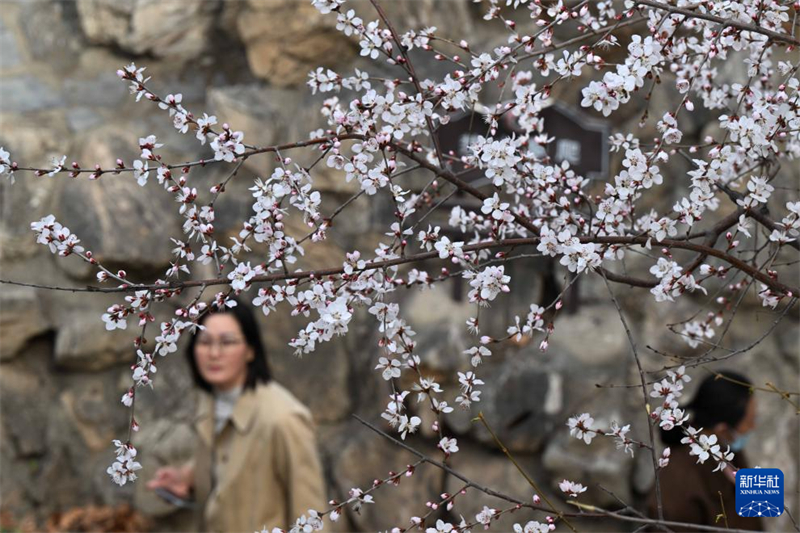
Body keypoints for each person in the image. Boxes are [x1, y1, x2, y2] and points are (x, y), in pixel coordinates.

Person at [147, 301, 326, 532]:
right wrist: (188, 477)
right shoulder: (210, 404)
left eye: (227, 342)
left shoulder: (283, 418)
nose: (214, 353)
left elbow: (311, 514)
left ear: (251, 349)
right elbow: (229, 463)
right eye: (205, 342)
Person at [647, 370, 762, 531]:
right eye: (749, 421)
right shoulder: (680, 481)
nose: (753, 427)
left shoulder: (726, 448)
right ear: (722, 429)